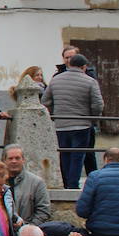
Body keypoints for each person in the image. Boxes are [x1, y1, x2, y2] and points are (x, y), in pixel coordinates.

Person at [43, 54, 104, 189]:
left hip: (61, 125)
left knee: (65, 155)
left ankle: (66, 184)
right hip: (82, 124)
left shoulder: (55, 80)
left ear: (69, 65)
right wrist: (93, 118)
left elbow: (45, 101)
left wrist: (55, 114)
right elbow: (98, 104)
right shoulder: (90, 81)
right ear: (84, 67)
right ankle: (72, 185)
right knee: (78, 156)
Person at [54, 46, 99, 175]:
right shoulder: (57, 75)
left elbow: (95, 100)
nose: (68, 60)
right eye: (66, 57)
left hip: (84, 121)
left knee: (88, 153)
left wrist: (92, 117)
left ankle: (91, 177)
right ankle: (70, 182)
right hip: (66, 123)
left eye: (71, 57)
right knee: (69, 154)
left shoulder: (89, 74)